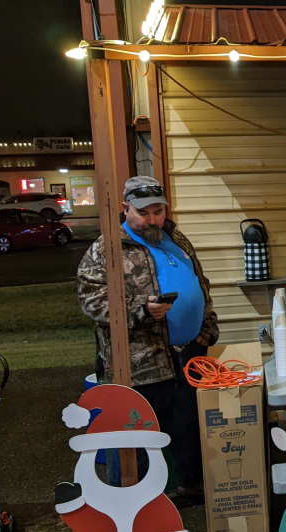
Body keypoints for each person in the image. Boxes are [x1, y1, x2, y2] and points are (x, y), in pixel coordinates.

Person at [76, 175, 218, 501]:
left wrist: (207, 327)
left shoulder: (175, 237)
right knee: (142, 435)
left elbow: (200, 282)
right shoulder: (106, 248)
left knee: (186, 426)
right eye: (144, 213)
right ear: (125, 208)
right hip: (144, 362)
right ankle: (140, 501)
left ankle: (189, 489)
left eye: (158, 211)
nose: (153, 219)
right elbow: (91, 301)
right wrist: (141, 310)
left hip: (189, 353)